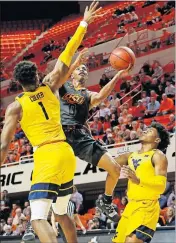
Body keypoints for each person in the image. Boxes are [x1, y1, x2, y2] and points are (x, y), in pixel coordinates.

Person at [0, 2, 101, 242]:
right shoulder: (51, 84)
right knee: (61, 212)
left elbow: (4, 147)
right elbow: (67, 53)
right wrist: (84, 22)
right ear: (36, 75)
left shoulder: (15, 107)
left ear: (17, 84)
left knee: (37, 218)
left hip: (46, 155)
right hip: (66, 153)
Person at [57, 57, 131, 222]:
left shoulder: (87, 94)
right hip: (59, 136)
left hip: (80, 137)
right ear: (72, 74)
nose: (82, 70)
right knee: (53, 179)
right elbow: (59, 75)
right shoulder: (63, 86)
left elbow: (101, 96)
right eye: (79, 68)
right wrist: (74, 62)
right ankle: (35, 219)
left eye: (85, 69)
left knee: (115, 169)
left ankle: (105, 201)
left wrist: (117, 75)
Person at [112, 122, 170, 243]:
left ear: (157, 139)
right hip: (130, 207)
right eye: (145, 129)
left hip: (146, 207)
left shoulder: (158, 155)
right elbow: (107, 162)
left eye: (149, 131)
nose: (144, 131)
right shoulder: (131, 155)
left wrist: (138, 180)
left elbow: (161, 187)